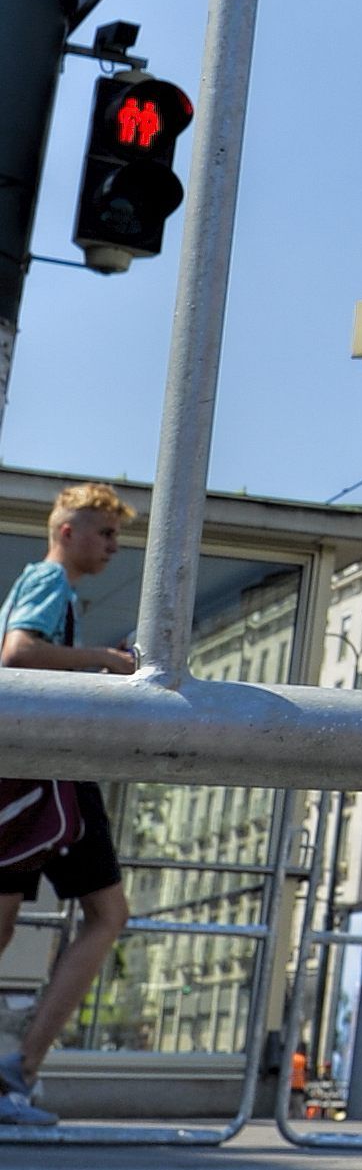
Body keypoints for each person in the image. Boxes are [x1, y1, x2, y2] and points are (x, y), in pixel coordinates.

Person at [0, 483, 141, 1130]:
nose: (113, 546)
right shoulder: (51, 584)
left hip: (30, 775)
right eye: (103, 532)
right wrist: (105, 662)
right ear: (66, 532)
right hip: (46, 778)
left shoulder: (45, 583)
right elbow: (19, 653)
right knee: (106, 912)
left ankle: (16, 1070)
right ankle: (17, 1071)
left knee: (11, 922)